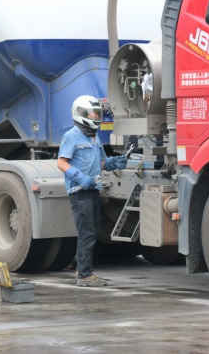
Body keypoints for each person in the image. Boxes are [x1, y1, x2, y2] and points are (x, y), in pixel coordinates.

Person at [57, 95, 127, 287]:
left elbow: (101, 163)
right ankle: (84, 276)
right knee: (87, 233)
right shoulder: (71, 136)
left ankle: (82, 270)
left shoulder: (94, 138)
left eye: (97, 113)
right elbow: (62, 163)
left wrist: (113, 163)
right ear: (79, 114)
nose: (95, 116)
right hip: (80, 191)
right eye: (91, 113)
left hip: (93, 190)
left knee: (91, 232)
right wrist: (80, 178)